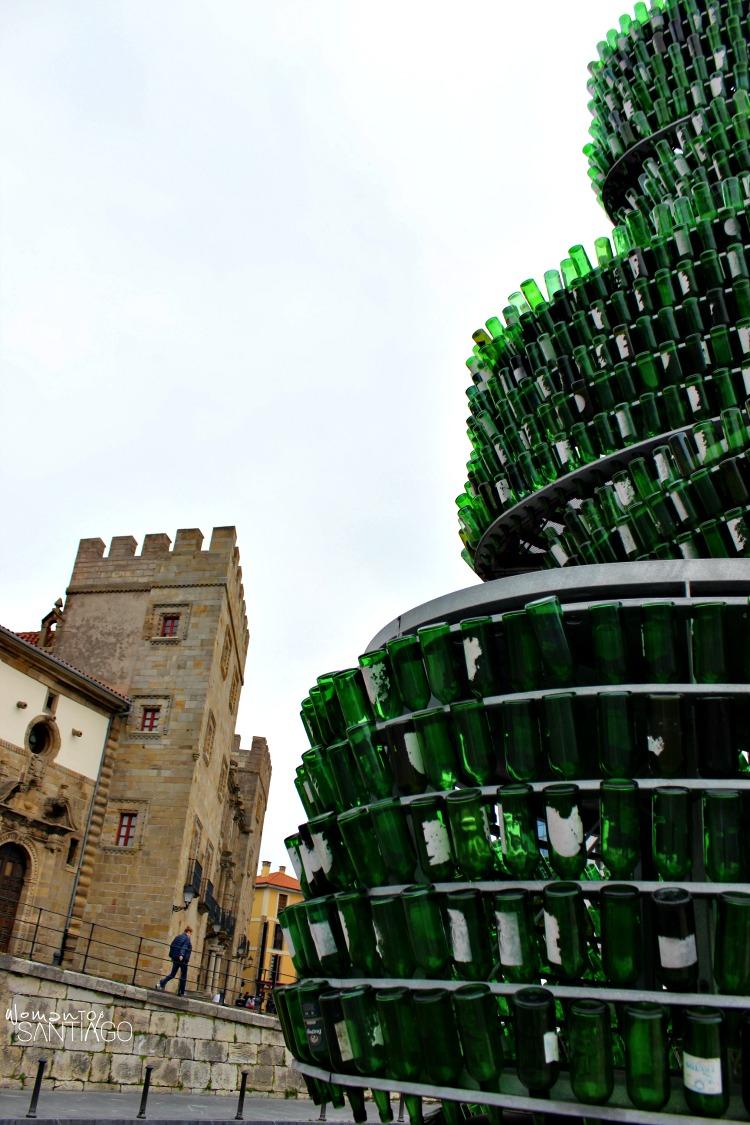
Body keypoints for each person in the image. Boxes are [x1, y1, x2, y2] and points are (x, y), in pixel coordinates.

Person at [158, 925, 192, 996]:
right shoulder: (187, 938)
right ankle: (181, 992)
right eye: (190, 934)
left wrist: (172, 956)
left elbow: (172, 945)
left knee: (172, 974)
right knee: (183, 976)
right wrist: (181, 955)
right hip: (182, 960)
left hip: (175, 958)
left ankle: (162, 982)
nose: (190, 935)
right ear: (188, 932)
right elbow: (184, 947)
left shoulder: (177, 937)